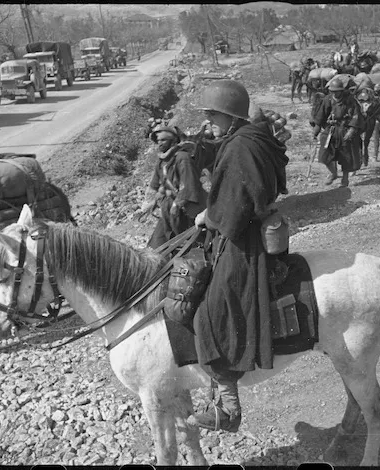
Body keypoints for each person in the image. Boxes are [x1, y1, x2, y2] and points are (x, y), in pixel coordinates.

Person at [191, 79, 289, 432]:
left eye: (213, 115)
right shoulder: (250, 138)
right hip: (248, 227)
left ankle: (229, 408)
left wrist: (209, 216)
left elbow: (235, 208)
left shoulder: (239, 148)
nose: (208, 122)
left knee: (212, 310)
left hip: (244, 239)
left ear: (230, 114)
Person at [139, 126, 206, 249]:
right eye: (158, 141)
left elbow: (189, 186)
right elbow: (155, 184)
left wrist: (177, 204)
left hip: (188, 207)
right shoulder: (161, 161)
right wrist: (151, 202)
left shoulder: (182, 158)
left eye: (163, 140)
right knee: (157, 246)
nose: (160, 143)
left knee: (191, 243)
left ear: (173, 140)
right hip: (168, 208)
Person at [312, 76, 364, 187]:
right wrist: (315, 132)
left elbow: (356, 116)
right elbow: (320, 117)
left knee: (346, 156)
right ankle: (333, 173)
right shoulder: (327, 100)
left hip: (345, 130)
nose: (335, 94)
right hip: (330, 130)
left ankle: (345, 179)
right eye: (332, 91)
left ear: (342, 91)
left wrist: (352, 130)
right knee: (324, 155)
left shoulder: (350, 100)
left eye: (337, 92)